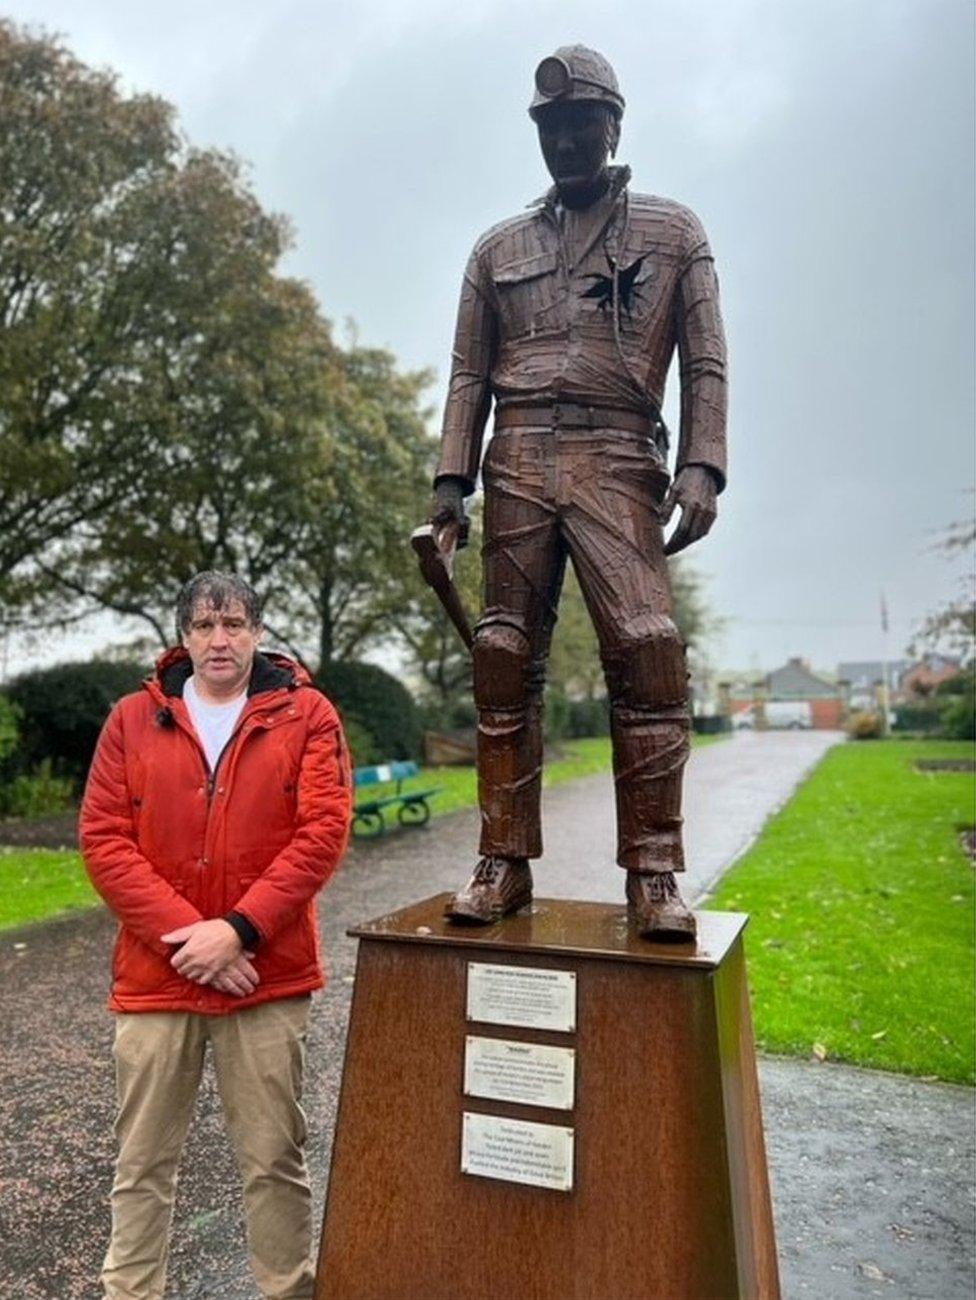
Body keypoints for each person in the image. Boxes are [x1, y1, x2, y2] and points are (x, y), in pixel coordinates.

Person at [434, 46, 728, 940]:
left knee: (648, 648)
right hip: (516, 458)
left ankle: (654, 873)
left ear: (613, 124)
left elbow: (707, 361)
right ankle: (503, 861)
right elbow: (467, 374)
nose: (565, 140)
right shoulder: (498, 247)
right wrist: (450, 483)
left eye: (580, 124)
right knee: (501, 659)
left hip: (617, 456)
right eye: (550, 127)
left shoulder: (674, 233)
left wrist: (704, 465)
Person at [80, 571, 351, 1300]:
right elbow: (105, 842)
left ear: (258, 633)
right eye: (203, 626)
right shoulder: (132, 720)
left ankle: (288, 1289)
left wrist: (238, 932)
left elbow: (322, 833)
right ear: (184, 637)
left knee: (273, 1161)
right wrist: (193, 941)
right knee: (140, 1165)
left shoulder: (308, 715)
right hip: (156, 980)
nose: (219, 639)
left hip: (265, 976)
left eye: (233, 624)